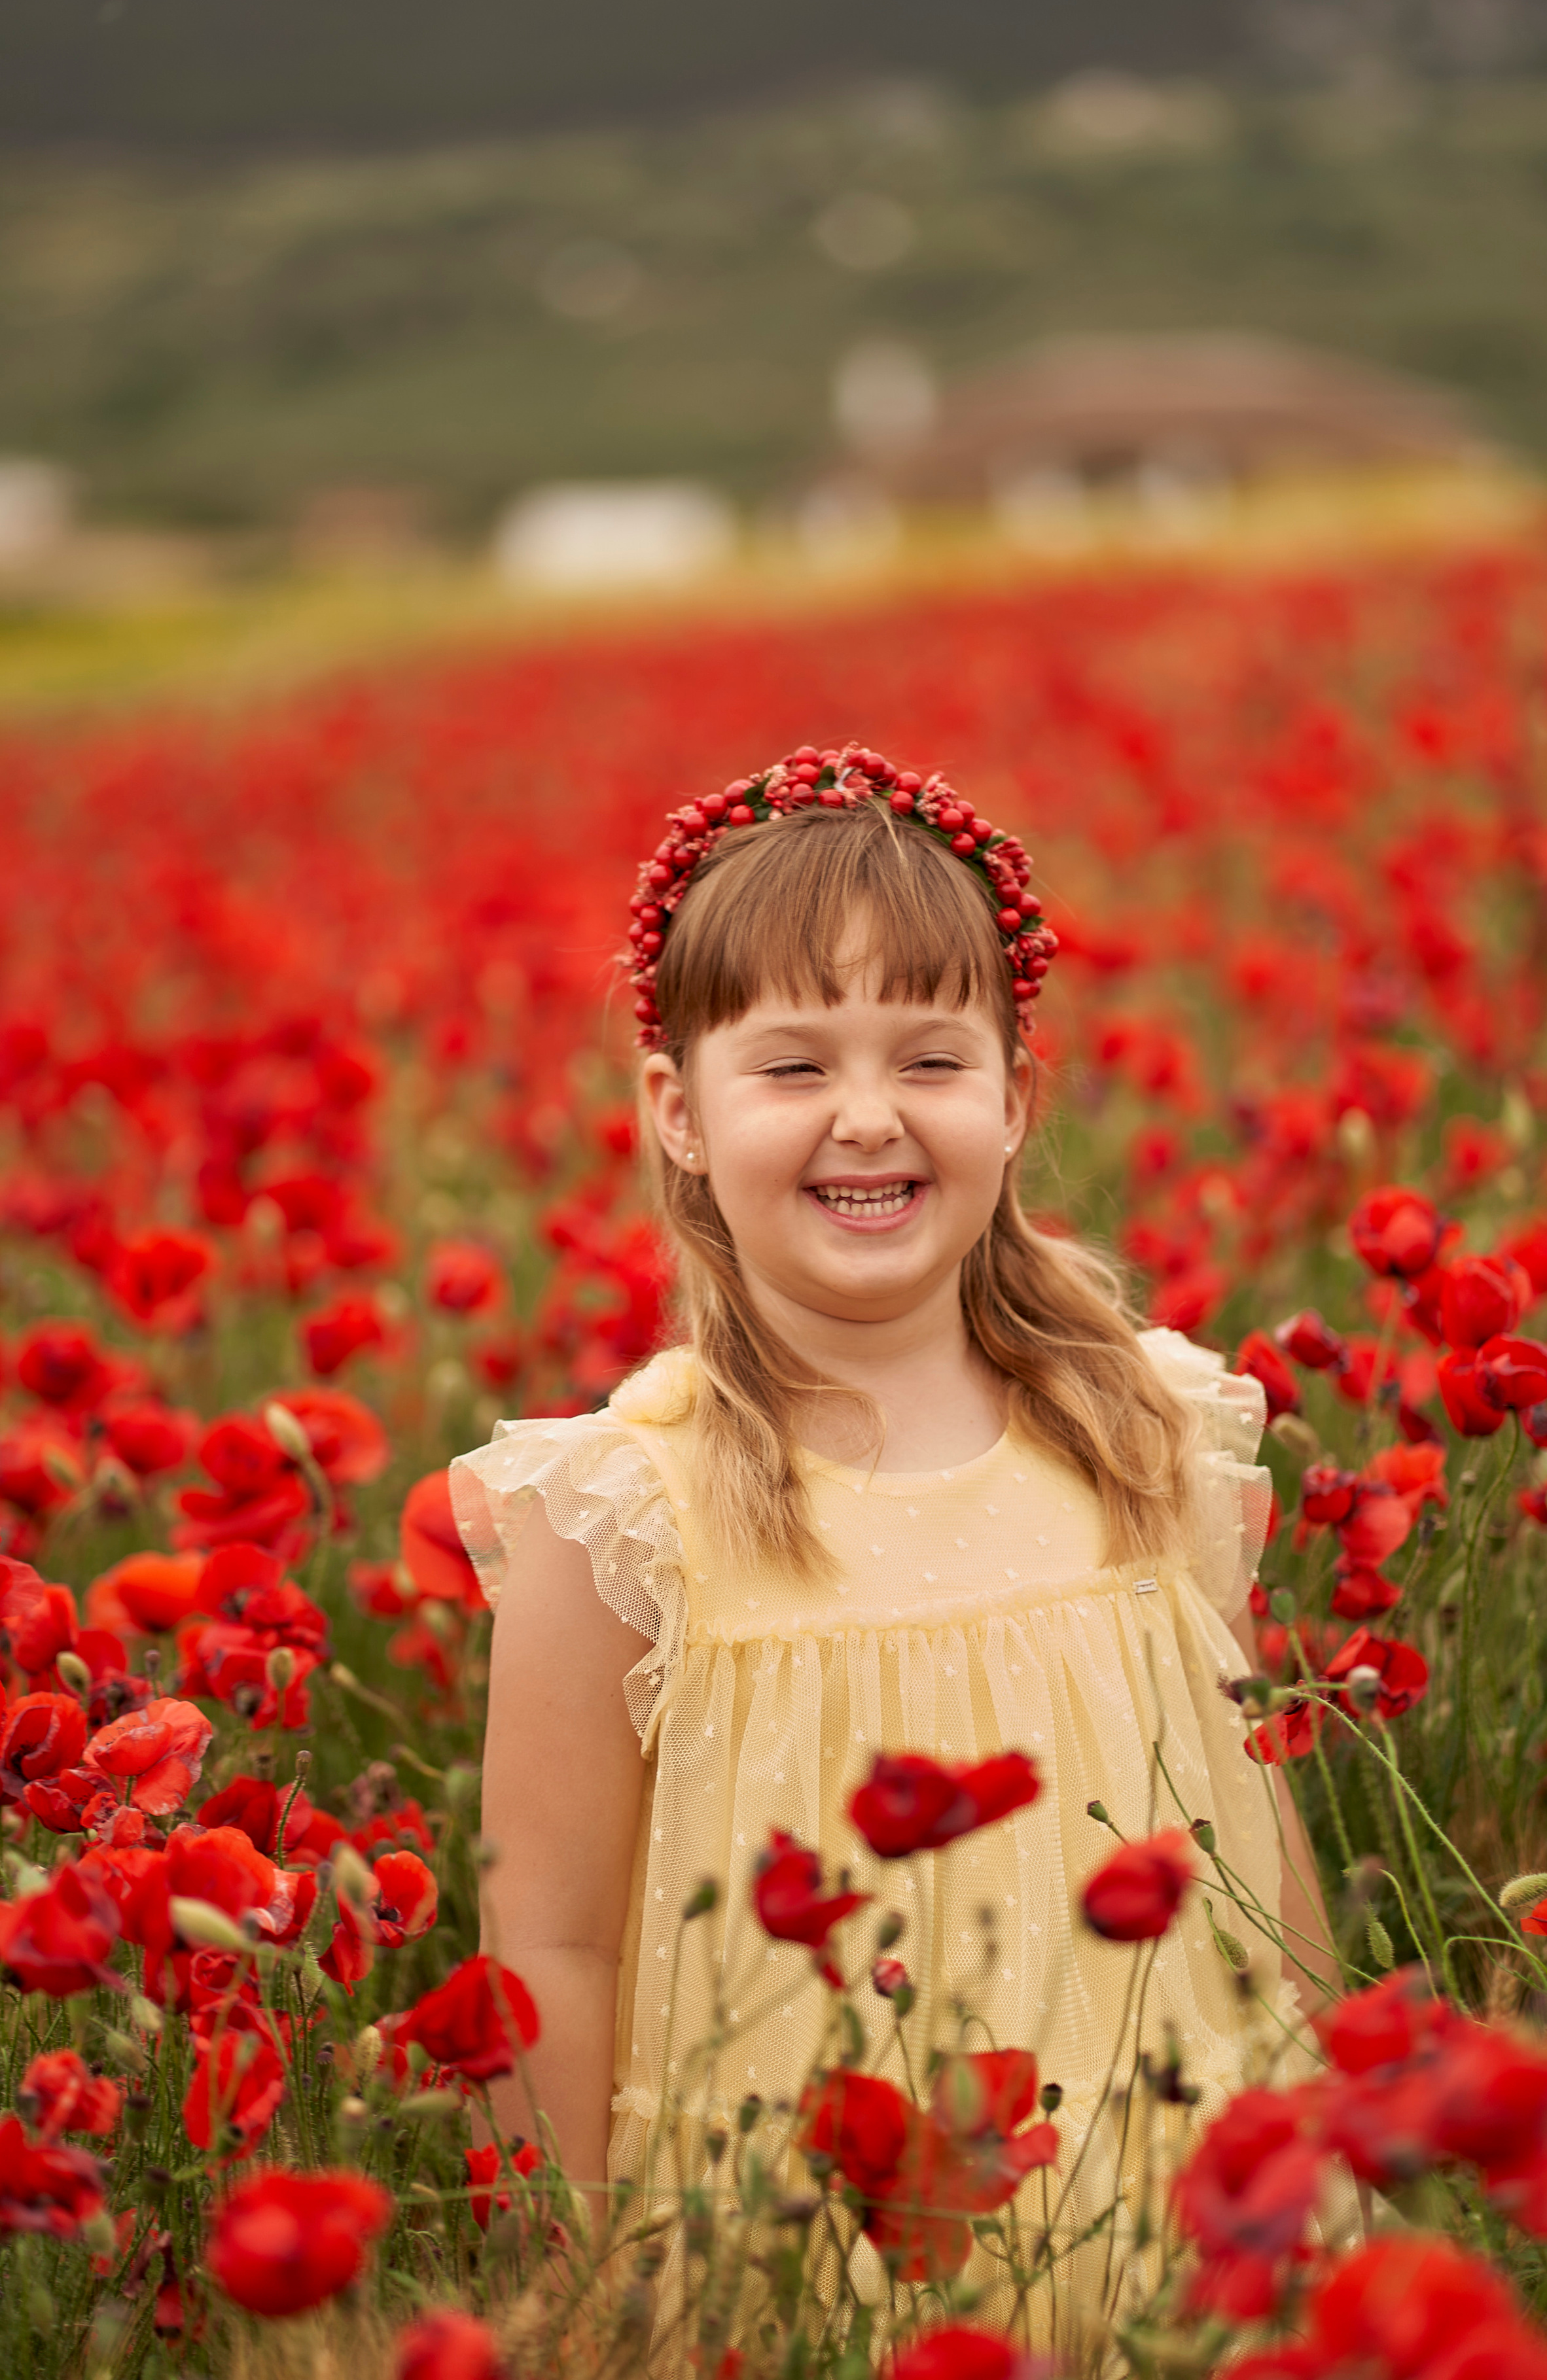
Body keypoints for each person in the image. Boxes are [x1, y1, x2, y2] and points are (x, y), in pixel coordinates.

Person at [452, 744, 1331, 2274]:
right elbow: (550, 1944)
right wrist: (564, 2286)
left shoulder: (1142, 1431)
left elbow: (1256, 1832)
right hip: (797, 2252)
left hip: (1168, 2217)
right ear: (676, 1109)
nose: (866, 1118)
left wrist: (1336, 2139)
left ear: (1013, 1097)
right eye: (793, 1069)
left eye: (929, 1061)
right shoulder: (620, 1509)